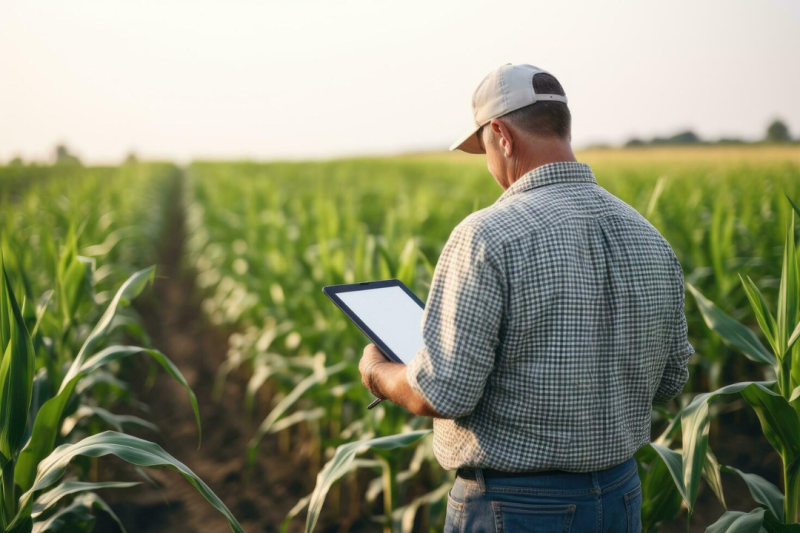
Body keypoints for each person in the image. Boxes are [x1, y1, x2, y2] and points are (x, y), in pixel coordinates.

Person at [357, 63, 693, 532]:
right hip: (620, 496)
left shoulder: (486, 236)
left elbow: (443, 391)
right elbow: (671, 378)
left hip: (513, 508)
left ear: (502, 135)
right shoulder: (650, 237)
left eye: (485, 149)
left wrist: (378, 373)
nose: (490, 165)